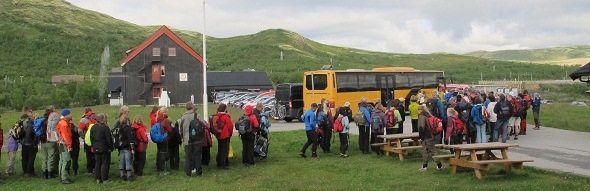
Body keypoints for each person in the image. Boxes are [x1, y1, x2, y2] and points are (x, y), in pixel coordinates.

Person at [417, 105, 443, 172]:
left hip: (426, 136)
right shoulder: (427, 116)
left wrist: (420, 137)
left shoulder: (421, 117)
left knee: (427, 151)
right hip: (430, 136)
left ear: (420, 110)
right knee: (432, 150)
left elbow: (421, 127)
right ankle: (438, 165)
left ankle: (427, 166)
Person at [180, 102, 203, 177]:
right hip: (197, 139)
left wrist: (182, 137)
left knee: (188, 156)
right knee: (197, 155)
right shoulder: (197, 115)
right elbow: (204, 124)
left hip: (187, 139)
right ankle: (199, 172)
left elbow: (180, 128)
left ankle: (188, 172)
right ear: (193, 107)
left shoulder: (183, 117)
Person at [91, 114, 113, 184]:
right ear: (103, 119)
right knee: (105, 163)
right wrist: (111, 147)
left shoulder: (93, 127)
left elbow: (91, 138)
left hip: (96, 147)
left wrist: (93, 146)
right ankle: (105, 179)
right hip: (104, 147)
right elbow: (108, 138)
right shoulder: (105, 127)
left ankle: (97, 178)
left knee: (97, 163)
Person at [212, 104, 232, 169]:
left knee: (220, 149)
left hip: (219, 135)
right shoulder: (225, 116)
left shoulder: (217, 115)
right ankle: (222, 164)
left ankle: (219, 162)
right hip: (225, 135)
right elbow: (230, 126)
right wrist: (230, 134)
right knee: (224, 150)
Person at [116, 116, 136, 181]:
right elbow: (131, 139)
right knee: (128, 161)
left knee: (121, 161)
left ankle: (122, 176)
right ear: (127, 120)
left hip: (120, 147)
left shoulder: (118, 128)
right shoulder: (128, 128)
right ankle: (129, 176)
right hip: (127, 147)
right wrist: (132, 148)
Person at [78, 108, 97, 175]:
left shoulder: (83, 120)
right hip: (96, 139)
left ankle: (90, 170)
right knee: (95, 154)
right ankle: (96, 168)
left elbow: (79, 130)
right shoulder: (95, 117)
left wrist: (83, 137)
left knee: (89, 155)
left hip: (88, 140)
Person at [57, 108, 73, 184]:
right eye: (69, 114)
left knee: (62, 160)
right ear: (66, 115)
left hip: (60, 143)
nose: (71, 115)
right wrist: (69, 145)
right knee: (66, 160)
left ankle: (61, 176)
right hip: (64, 144)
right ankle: (64, 178)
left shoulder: (61, 122)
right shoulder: (64, 123)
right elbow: (66, 135)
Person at [20, 107, 37, 177]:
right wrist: (32, 141)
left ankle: (25, 171)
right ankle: (29, 172)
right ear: (27, 112)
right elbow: (29, 133)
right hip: (29, 142)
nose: (32, 113)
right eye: (31, 111)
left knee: (24, 157)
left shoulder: (21, 121)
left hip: (23, 142)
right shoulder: (29, 122)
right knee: (31, 158)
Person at [156, 107, 173, 176]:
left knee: (159, 153)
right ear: (165, 112)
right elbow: (170, 130)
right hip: (164, 138)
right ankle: (162, 170)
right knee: (163, 154)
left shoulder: (158, 119)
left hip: (159, 138)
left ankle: (159, 168)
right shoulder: (165, 120)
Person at [39, 108, 55, 179]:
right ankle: (50, 173)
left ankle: (44, 173)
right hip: (49, 140)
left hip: (42, 141)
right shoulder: (50, 121)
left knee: (44, 157)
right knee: (50, 157)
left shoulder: (42, 120)